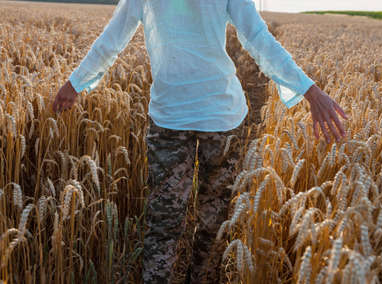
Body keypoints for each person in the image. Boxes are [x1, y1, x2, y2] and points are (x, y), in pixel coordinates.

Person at [52, 0, 348, 283]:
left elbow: (112, 39)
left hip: (190, 118)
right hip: (214, 116)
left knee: (169, 224)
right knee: (210, 223)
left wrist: (75, 83)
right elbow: (257, 38)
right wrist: (310, 91)